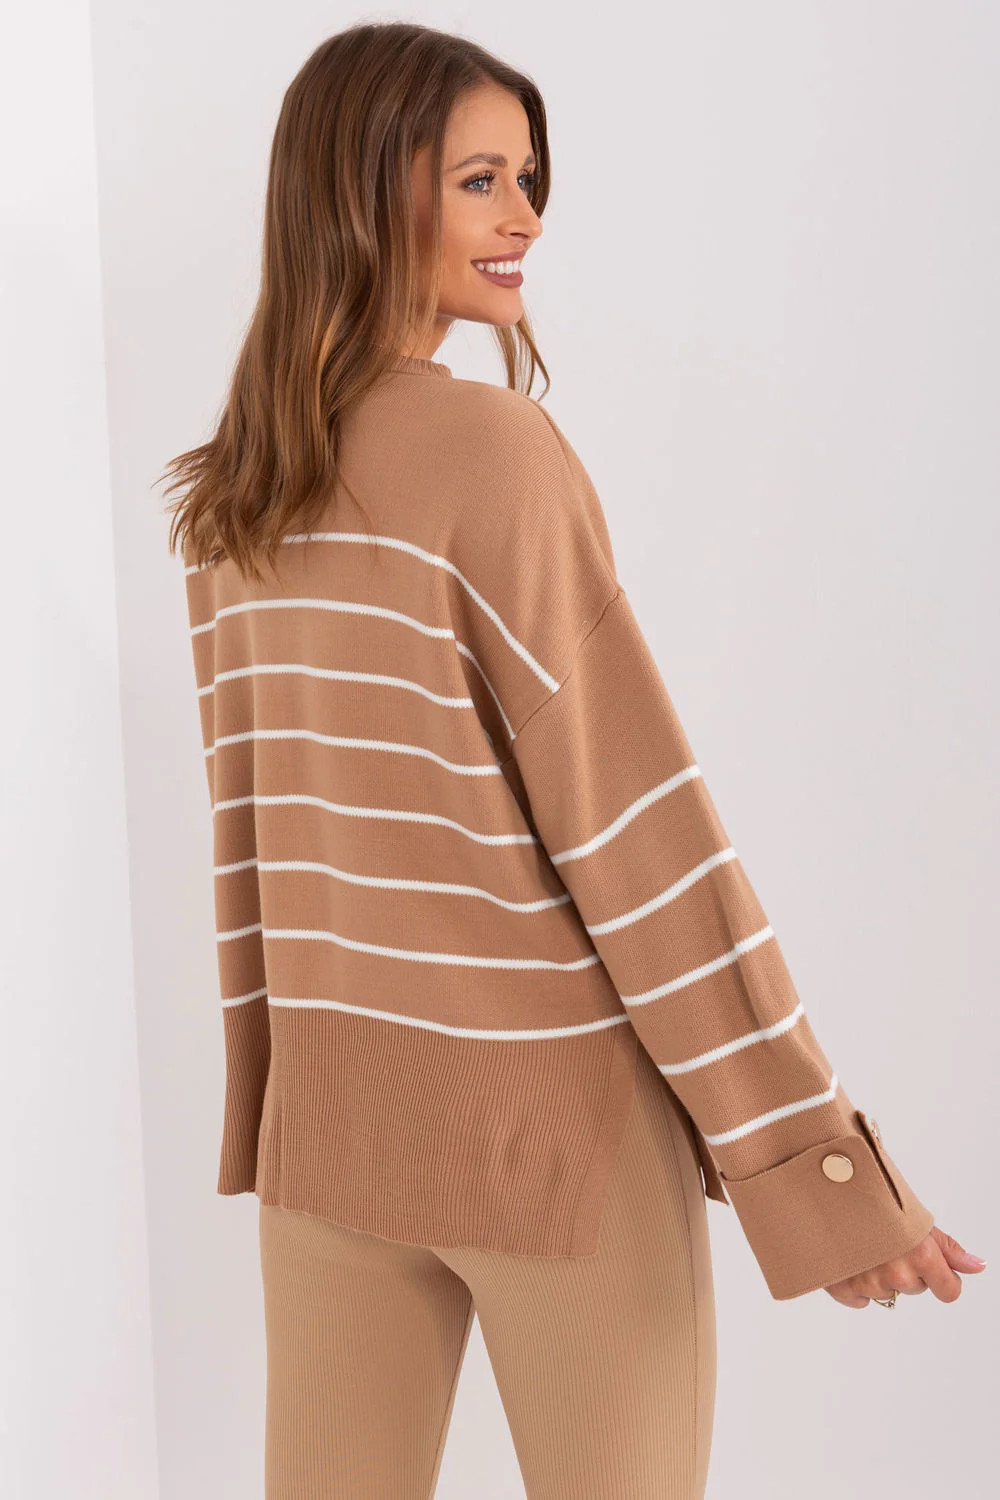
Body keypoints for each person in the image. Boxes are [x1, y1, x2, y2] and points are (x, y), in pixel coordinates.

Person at [160, 20, 985, 1499]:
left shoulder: (238, 493)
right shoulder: (493, 454)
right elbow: (642, 839)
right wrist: (818, 1173)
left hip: (330, 1136)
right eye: (480, 179)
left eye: (529, 179)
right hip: (550, 1142)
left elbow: (258, 864)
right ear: (364, 187)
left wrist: (275, 1106)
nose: (525, 217)